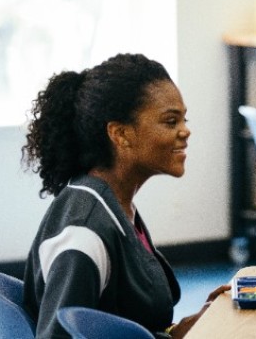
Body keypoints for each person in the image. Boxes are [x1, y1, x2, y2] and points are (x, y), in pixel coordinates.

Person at [21, 53, 229, 339]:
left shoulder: (114, 204)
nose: (185, 131)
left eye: (184, 119)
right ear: (120, 134)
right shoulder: (85, 234)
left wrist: (183, 329)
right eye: (170, 121)